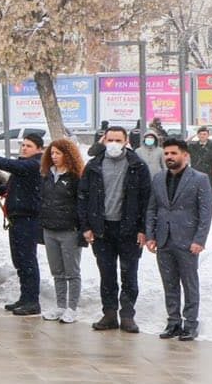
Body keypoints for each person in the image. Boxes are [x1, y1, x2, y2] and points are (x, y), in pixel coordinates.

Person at [79, 126, 150, 333]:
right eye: (110, 140)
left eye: (118, 140)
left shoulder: (137, 166)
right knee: (107, 273)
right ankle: (109, 313)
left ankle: (127, 314)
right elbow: (83, 197)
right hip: (102, 229)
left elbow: (146, 200)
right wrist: (86, 226)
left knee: (129, 273)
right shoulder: (94, 166)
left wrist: (143, 228)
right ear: (104, 140)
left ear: (126, 141)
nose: (114, 144)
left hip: (128, 229)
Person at [147, 137, 212, 341]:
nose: (169, 157)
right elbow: (152, 208)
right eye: (166, 153)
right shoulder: (158, 178)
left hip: (187, 241)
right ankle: (173, 321)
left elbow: (205, 212)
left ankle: (191, 323)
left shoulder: (199, 179)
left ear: (185, 155)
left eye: (174, 153)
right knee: (169, 283)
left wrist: (199, 240)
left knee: (189, 283)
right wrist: (150, 235)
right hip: (164, 240)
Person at [0, 132, 44, 316]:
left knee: (27, 260)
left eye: (29, 146)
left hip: (28, 218)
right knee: (20, 260)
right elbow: (9, 189)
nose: (24, 148)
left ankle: (32, 300)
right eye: (23, 144)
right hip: (16, 218)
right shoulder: (23, 166)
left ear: (38, 149)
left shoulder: (33, 164)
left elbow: (9, 165)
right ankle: (25, 297)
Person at [38, 138, 85, 323]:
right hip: (49, 228)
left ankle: (72, 308)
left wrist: (81, 228)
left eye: (58, 153)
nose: (54, 157)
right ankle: (60, 305)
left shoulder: (75, 177)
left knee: (71, 271)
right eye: (52, 153)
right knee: (57, 270)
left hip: (69, 229)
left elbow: (81, 204)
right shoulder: (47, 175)